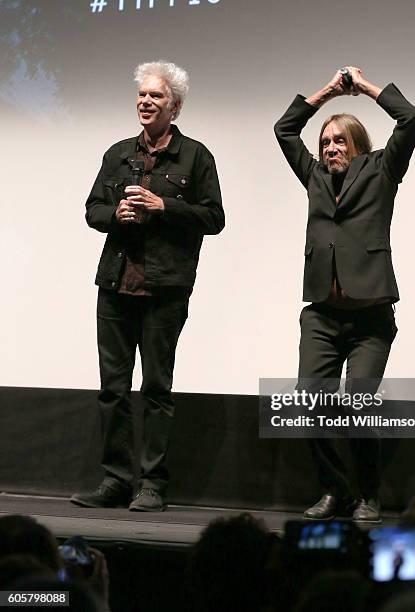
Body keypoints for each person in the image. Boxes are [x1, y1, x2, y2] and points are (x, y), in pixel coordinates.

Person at [71, 60, 224, 512]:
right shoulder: (117, 154)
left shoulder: (196, 157)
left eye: (155, 96)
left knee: (157, 388)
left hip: (165, 289)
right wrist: (112, 214)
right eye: (141, 95)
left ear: (174, 107)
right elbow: (92, 209)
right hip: (115, 285)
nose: (145, 101)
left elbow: (214, 219)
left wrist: (165, 206)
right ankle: (116, 479)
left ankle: (152, 483)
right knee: (112, 389)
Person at [274, 66, 415, 522]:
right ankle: (335, 489)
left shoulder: (381, 170)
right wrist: (326, 92)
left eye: (339, 141)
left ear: (357, 144)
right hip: (321, 314)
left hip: (370, 317)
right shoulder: (315, 176)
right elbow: (284, 128)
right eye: (325, 142)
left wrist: (363, 87)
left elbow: (410, 118)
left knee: (358, 402)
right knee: (308, 399)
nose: (330, 148)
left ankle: (368, 496)